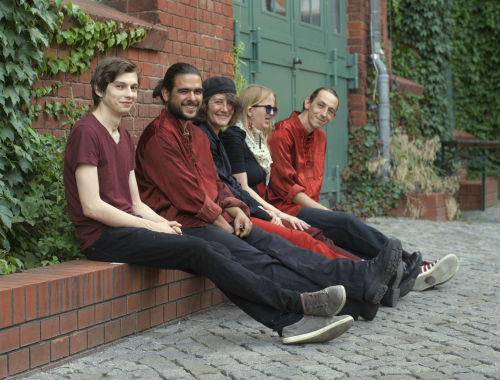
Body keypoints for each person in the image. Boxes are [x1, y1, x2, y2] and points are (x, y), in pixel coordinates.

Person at [63, 56, 358, 345]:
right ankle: (295, 308)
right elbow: (93, 206)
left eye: (132, 87)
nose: (128, 94)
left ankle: (292, 316)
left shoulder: (123, 135)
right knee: (200, 249)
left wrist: (163, 223)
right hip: (102, 236)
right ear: (99, 89)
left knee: (214, 250)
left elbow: (136, 203)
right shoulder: (87, 132)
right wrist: (154, 227)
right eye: (119, 86)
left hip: (130, 227)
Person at [135, 62, 403, 322]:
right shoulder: (160, 137)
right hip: (185, 224)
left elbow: (215, 183)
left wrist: (237, 209)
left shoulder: (194, 135)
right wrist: (224, 222)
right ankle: (352, 299)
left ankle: (359, 288)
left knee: (282, 246)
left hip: (214, 217)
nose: (192, 98)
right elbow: (189, 196)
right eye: (184, 91)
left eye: (197, 92)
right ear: (166, 94)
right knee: (260, 260)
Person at [267, 86, 459, 298]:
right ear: (307, 103)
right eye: (320, 105)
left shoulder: (320, 137)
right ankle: (411, 264)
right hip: (284, 209)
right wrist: (327, 213)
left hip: (308, 209)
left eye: (330, 111)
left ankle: (404, 273)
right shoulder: (281, 134)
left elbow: (312, 188)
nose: (324, 113)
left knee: (348, 240)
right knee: (346, 223)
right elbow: (289, 190)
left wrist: (325, 215)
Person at [195, 76, 359, 261]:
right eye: (267, 108)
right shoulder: (233, 137)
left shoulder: (258, 139)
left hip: (260, 209)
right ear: (249, 110)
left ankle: (360, 264)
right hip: (252, 211)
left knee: (318, 233)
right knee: (309, 237)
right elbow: (240, 188)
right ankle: (358, 267)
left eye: (274, 109)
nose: (271, 113)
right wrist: (274, 213)